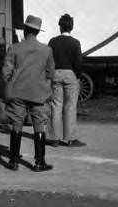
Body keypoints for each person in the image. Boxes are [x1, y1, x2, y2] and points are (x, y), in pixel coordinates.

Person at [2, 15, 55, 172]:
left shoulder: (14, 48)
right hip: (39, 92)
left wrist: (10, 83)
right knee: (39, 127)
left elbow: (6, 72)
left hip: (18, 92)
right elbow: (51, 73)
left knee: (16, 124)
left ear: (25, 30)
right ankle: (39, 162)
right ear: (38, 32)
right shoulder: (46, 50)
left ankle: (13, 161)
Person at [47, 14, 86, 147]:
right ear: (71, 27)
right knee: (70, 106)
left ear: (60, 26)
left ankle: (54, 138)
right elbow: (78, 62)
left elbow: (49, 59)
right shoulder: (75, 43)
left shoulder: (52, 41)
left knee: (56, 105)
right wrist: (78, 75)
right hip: (70, 74)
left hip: (56, 73)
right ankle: (70, 138)